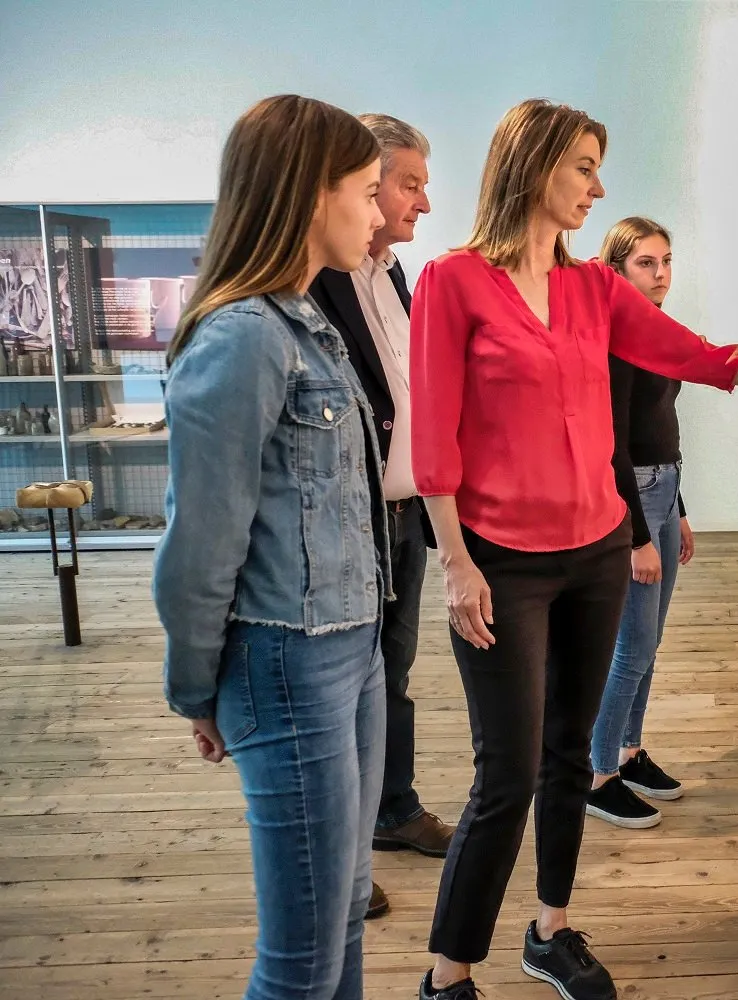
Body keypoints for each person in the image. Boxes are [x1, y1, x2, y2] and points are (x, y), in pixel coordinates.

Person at [409, 98, 738, 1000]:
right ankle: (447, 976)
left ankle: (551, 930)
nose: (597, 187)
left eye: (599, 167)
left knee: (570, 754)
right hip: (502, 565)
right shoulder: (454, 282)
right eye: (582, 166)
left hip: (597, 551)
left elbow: (703, 356)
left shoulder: (593, 291)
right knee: (508, 773)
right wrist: (454, 563)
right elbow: (434, 443)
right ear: (531, 164)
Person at [152, 94, 390, 1000]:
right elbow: (199, 545)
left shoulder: (304, 320)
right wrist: (194, 686)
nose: (377, 213)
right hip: (288, 661)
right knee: (299, 965)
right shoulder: (245, 337)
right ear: (309, 193)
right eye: (367, 191)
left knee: (344, 927)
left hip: (350, 649)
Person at [308, 113, 452, 922]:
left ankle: (391, 812)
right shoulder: (313, 283)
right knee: (348, 688)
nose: (420, 203)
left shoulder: (395, 275)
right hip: (351, 520)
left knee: (390, 678)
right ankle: (342, 859)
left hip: (403, 515)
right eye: (406, 184)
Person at [585, 216, 692, 830]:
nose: (660, 275)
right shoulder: (616, 336)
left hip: (663, 488)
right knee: (633, 645)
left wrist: (679, 510)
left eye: (667, 260)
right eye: (646, 263)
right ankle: (597, 775)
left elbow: (665, 429)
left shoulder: (657, 328)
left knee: (648, 643)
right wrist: (638, 536)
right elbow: (615, 443)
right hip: (634, 497)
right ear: (617, 268)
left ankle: (627, 751)